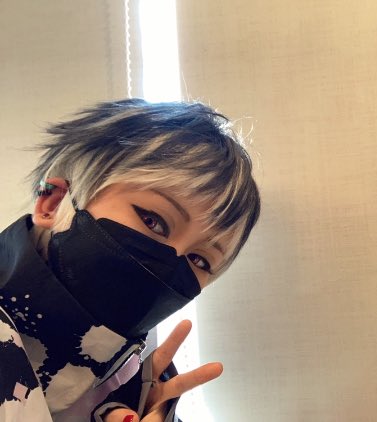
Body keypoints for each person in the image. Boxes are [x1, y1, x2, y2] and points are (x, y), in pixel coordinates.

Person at [0, 98, 261, 421]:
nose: (170, 264)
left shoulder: (132, 382)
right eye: (153, 220)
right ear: (52, 202)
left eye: (199, 260)